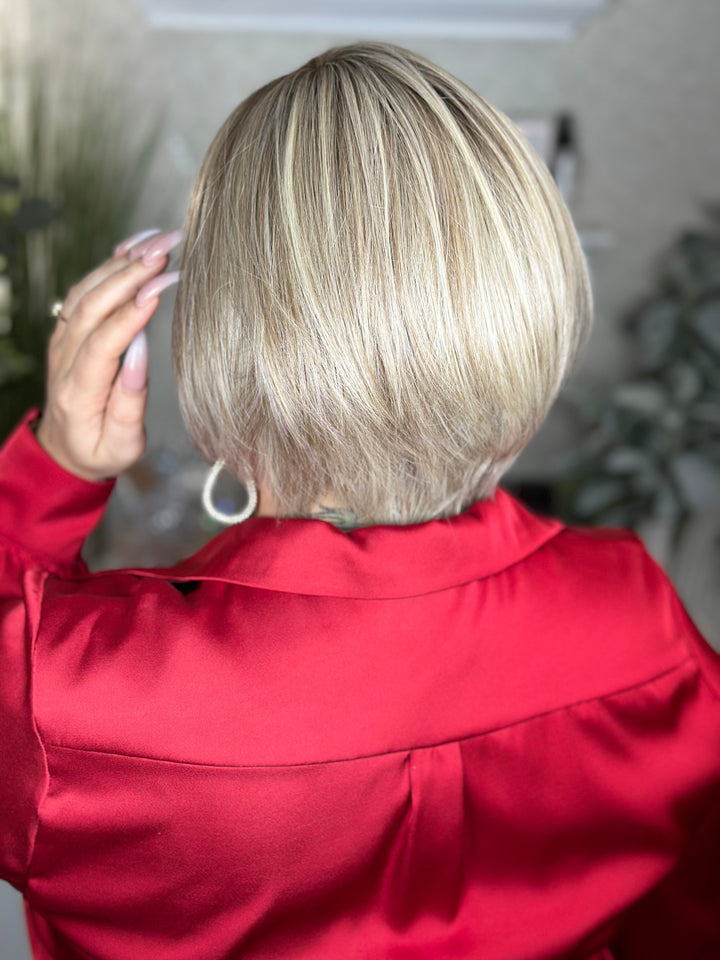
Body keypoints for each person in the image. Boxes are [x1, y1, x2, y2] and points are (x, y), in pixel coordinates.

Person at [1, 40, 718, 960]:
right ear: (520, 305)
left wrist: (53, 469)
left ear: (221, 334)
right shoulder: (638, 620)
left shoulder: (70, 699)